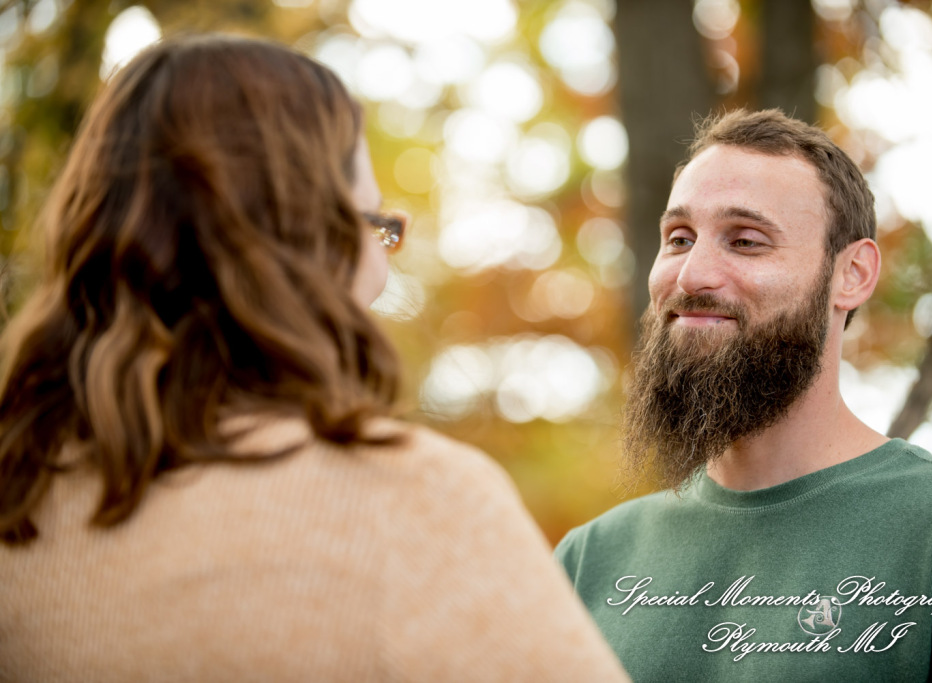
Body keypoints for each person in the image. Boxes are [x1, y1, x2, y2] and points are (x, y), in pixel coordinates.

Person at [0, 35, 629, 682]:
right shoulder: (414, 505)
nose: (382, 271)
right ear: (305, 241)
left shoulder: (19, 508)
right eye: (373, 226)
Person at [555, 109, 932, 681]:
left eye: (746, 241)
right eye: (679, 238)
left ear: (851, 275)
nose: (692, 274)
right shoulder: (588, 563)